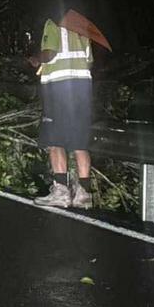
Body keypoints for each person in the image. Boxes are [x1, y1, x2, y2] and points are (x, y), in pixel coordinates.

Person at [30, 11, 104, 208]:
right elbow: (90, 61)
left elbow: (49, 53)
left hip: (59, 91)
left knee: (55, 141)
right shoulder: (82, 26)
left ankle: (61, 192)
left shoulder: (52, 22)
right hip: (81, 91)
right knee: (80, 142)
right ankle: (84, 194)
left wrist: (36, 59)